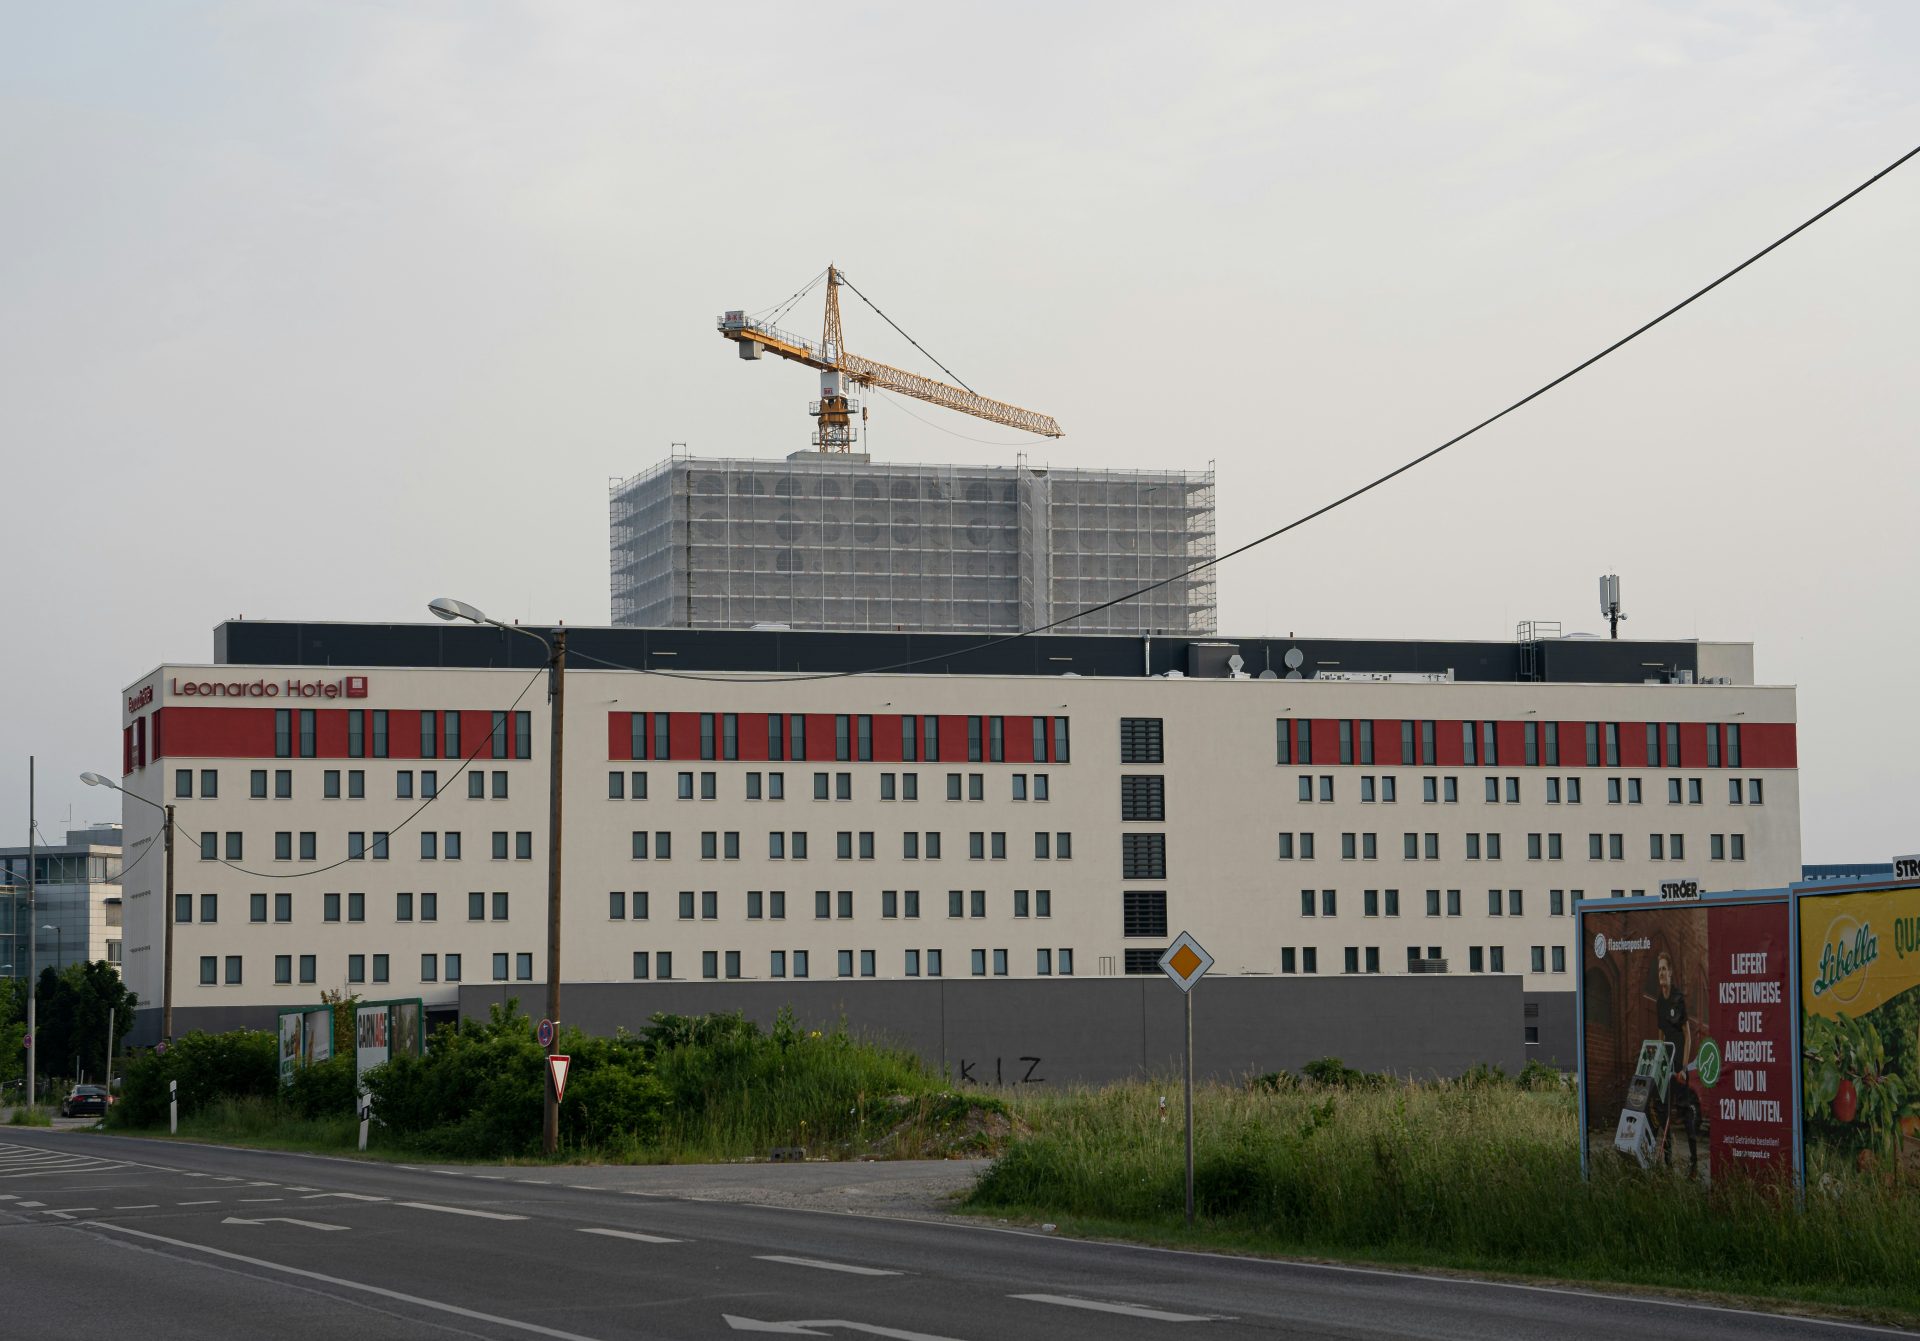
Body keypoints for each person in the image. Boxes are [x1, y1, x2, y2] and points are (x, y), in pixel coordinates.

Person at [1652, 950, 1701, 1176]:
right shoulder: (1659, 1002)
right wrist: (1660, 1060)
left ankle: (1694, 1162)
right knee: (1663, 1111)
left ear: (1671, 972)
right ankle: (1668, 1161)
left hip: (1679, 1066)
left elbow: (1687, 1035)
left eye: (1664, 969)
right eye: (1659, 970)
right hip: (1667, 1065)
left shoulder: (1678, 999)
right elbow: (1661, 1034)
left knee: (1684, 1111)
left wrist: (1683, 1067)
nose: (1662, 973)